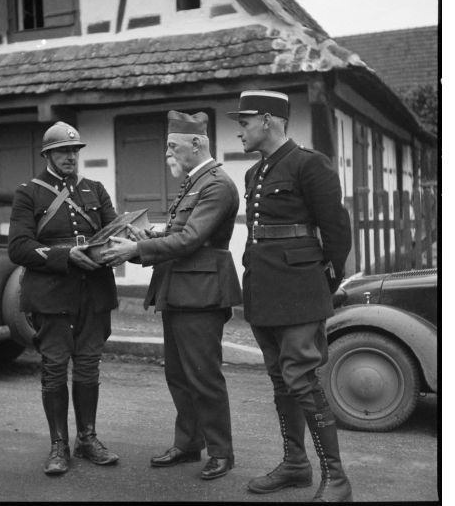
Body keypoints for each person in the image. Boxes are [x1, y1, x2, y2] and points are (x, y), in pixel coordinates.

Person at [101, 110, 242, 480]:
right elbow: (180, 231)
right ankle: (188, 443)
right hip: (180, 289)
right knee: (179, 374)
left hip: (201, 293)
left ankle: (221, 452)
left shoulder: (217, 185)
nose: (169, 154)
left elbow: (192, 239)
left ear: (196, 144)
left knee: (203, 375)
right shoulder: (197, 181)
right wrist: (145, 237)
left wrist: (136, 252)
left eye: (174, 146)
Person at [227, 91, 353, 502]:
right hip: (265, 290)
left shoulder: (309, 164)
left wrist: (323, 284)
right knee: (282, 380)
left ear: (268, 120)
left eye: (245, 122)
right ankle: (295, 465)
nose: (240, 130)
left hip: (300, 290)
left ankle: (336, 478)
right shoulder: (254, 174)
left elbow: (336, 232)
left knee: (301, 379)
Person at [8, 121, 119, 475]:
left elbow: (112, 231)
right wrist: (64, 257)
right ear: (48, 155)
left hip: (95, 292)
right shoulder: (29, 193)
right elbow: (19, 247)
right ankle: (59, 445)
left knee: (88, 365)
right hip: (52, 296)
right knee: (55, 367)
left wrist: (124, 241)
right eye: (63, 151)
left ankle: (87, 439)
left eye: (75, 150)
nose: (71, 156)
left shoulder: (96, 190)